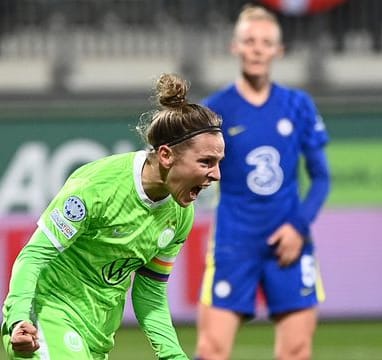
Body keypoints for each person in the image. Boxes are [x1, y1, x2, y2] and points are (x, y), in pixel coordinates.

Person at [1, 73, 225, 360]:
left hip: (98, 335)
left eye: (218, 163)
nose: (216, 174)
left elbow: (150, 293)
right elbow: (33, 257)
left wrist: (173, 355)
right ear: (167, 155)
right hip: (45, 319)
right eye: (206, 162)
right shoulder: (96, 188)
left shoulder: (180, 215)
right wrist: (19, 319)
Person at [195, 4, 331, 360]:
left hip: (289, 240)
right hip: (234, 241)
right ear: (235, 46)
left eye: (265, 42)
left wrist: (298, 228)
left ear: (278, 51)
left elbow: (321, 178)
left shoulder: (297, 104)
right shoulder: (215, 110)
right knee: (211, 350)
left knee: (297, 351)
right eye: (249, 41)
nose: (257, 48)